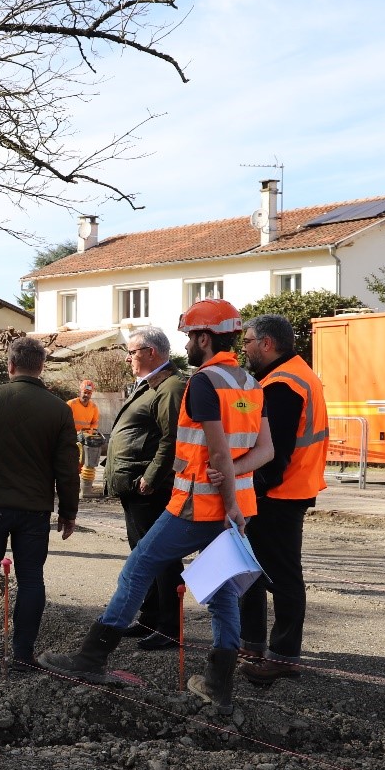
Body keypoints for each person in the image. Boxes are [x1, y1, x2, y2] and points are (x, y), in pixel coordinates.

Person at [38, 299, 275, 715]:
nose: (187, 345)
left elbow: (218, 451)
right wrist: (235, 488)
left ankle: (92, 657)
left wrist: (224, 479)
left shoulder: (204, 381)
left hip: (197, 506)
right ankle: (218, 683)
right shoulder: (250, 384)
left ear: (204, 337)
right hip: (235, 509)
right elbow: (265, 451)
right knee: (220, 590)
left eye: (189, 337)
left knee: (138, 567)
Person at [0, 336, 79, 672]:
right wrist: (69, 511)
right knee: (32, 579)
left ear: (10, 364)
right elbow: (68, 468)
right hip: (34, 510)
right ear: (41, 367)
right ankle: (22, 655)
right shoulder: (59, 410)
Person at [235, 313, 328, 685]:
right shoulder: (295, 374)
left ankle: (283, 657)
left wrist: (253, 486)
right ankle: (253, 645)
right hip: (287, 489)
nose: (245, 348)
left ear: (267, 344)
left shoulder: (283, 384)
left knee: (282, 577)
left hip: (278, 493)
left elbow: (277, 449)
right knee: (254, 572)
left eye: (248, 341)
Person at [103, 327, 187, 651]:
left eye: (132, 352)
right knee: (143, 556)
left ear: (151, 352)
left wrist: (151, 477)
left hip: (150, 489)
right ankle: (151, 618)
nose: (128, 358)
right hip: (136, 487)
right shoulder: (151, 385)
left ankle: (169, 628)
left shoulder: (169, 388)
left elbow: (172, 438)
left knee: (161, 558)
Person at [68, 379, 102, 498]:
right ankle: (71, 487)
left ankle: (83, 487)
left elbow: (95, 423)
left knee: (85, 464)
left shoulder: (93, 407)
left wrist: (90, 432)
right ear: (80, 391)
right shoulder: (71, 404)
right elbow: (64, 421)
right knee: (71, 463)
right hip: (71, 438)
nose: (86, 395)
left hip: (86, 439)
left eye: (89, 393)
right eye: (84, 392)